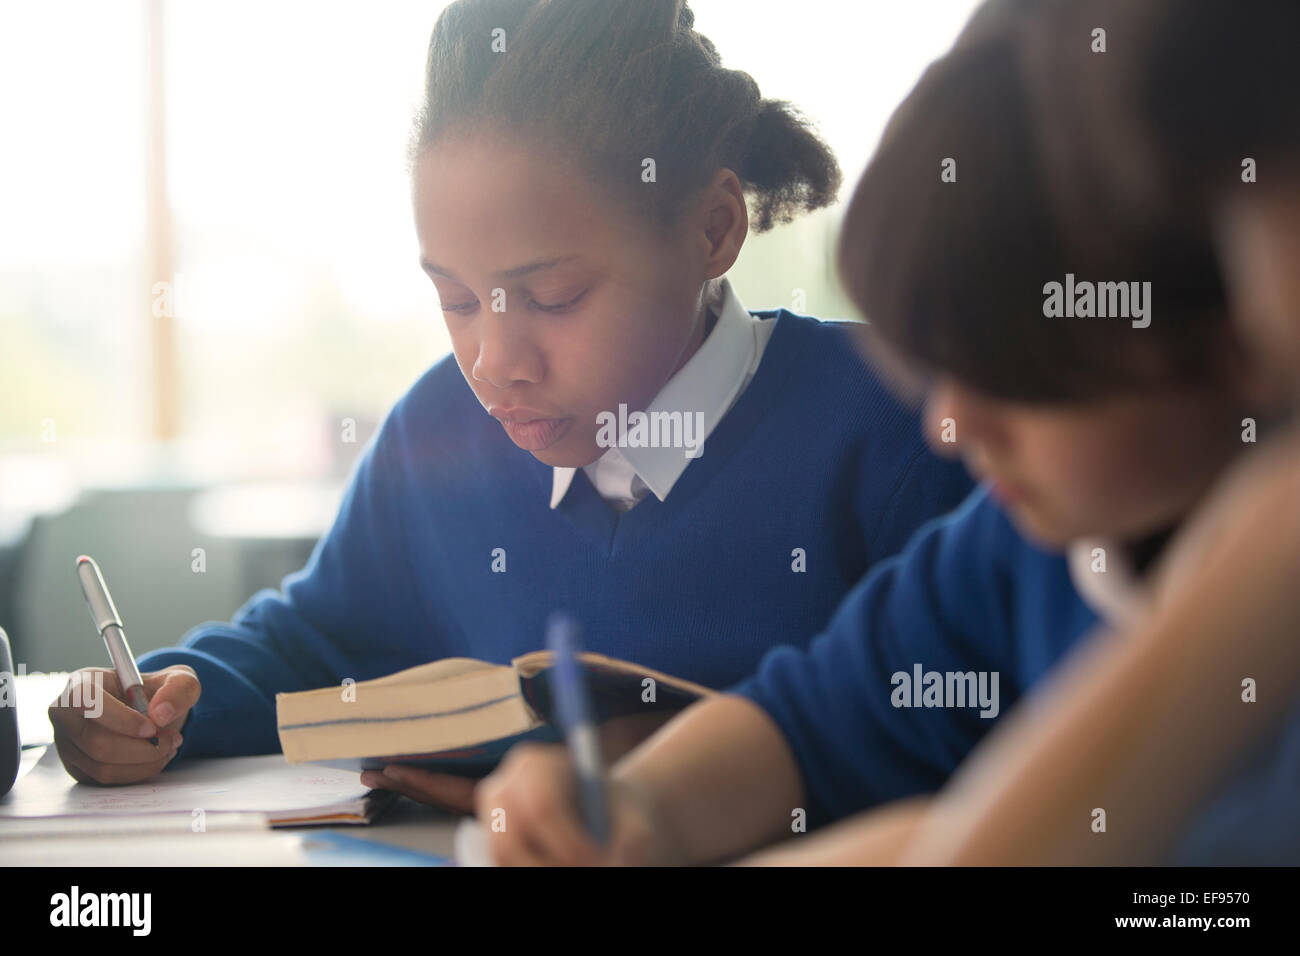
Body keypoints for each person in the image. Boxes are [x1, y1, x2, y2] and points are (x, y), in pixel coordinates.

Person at [47, 0, 972, 805]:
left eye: (554, 296)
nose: (493, 362)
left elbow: (992, 747)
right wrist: (156, 705)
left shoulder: (896, 430)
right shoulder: (439, 433)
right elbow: (310, 641)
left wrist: (687, 780)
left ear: (712, 228)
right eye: (455, 301)